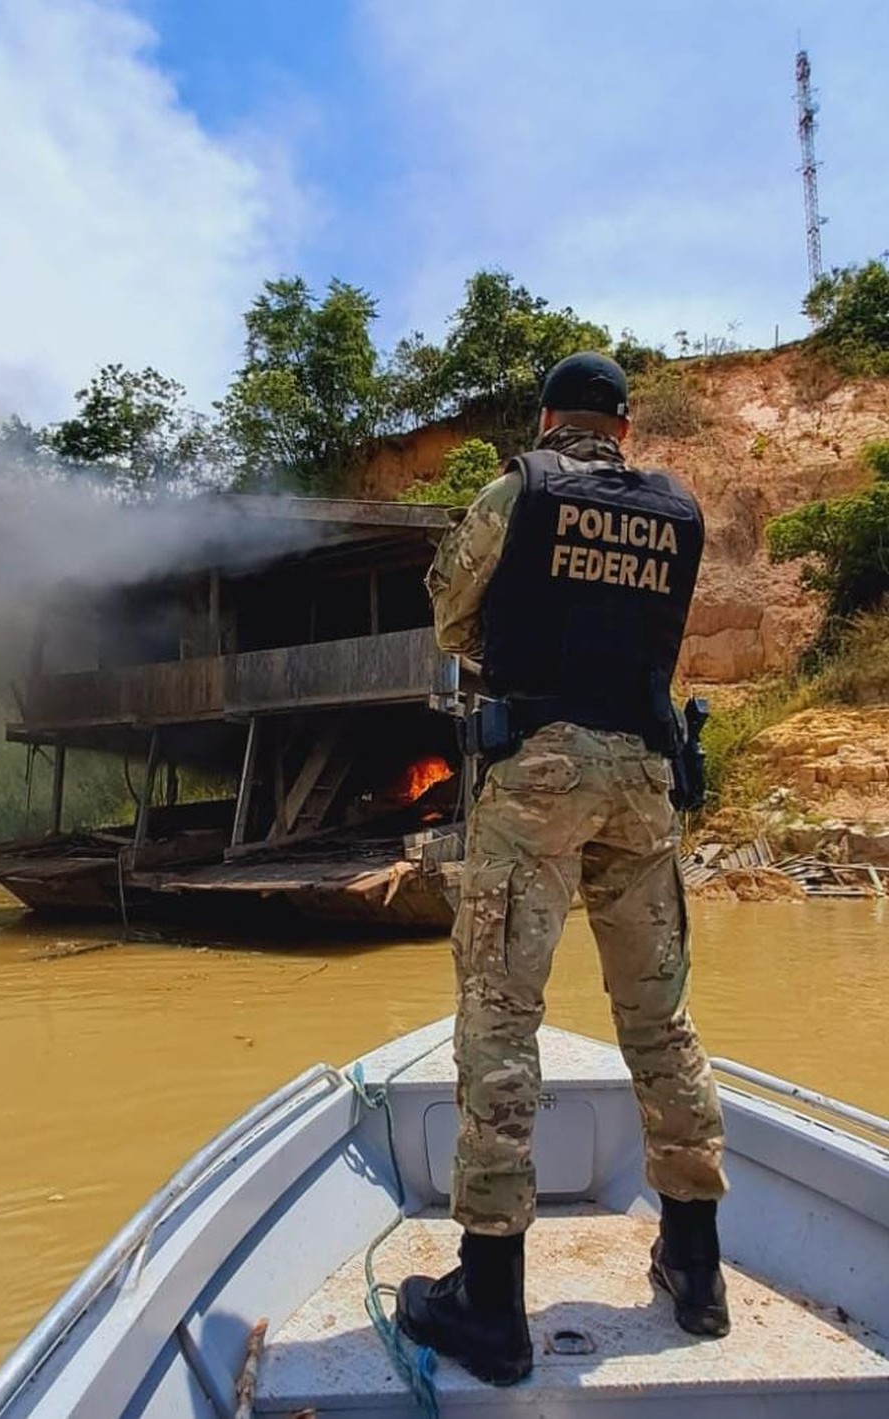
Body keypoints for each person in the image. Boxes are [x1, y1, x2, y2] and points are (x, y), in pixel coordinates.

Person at [395, 351, 729, 1386]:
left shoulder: (519, 489)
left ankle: (490, 1299)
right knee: (658, 1019)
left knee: (501, 1020)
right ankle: (697, 1266)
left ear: (548, 421)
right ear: (624, 429)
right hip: (644, 778)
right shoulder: (678, 510)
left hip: (538, 774)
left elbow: (451, 612)